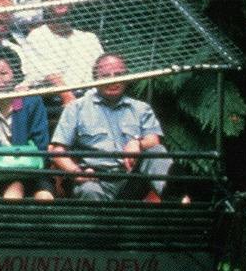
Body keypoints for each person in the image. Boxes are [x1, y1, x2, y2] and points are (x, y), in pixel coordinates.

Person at [51, 53, 172, 202]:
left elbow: (154, 141)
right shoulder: (76, 108)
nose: (113, 80)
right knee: (89, 190)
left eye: (118, 75)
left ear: (126, 78)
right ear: (95, 79)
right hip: (95, 179)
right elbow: (57, 151)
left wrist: (137, 143)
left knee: (157, 152)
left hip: (131, 180)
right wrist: (77, 172)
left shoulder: (141, 108)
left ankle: (179, 204)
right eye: (106, 76)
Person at [0, 48, 54, 201]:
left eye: (3, 73)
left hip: (32, 169)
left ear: (15, 74)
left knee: (45, 197)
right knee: (14, 191)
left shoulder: (31, 102)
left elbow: (41, 143)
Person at [17, 0, 104, 98]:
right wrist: (68, 97)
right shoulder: (37, 37)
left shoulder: (89, 39)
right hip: (55, 104)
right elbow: (43, 75)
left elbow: (102, 73)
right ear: (46, 2)